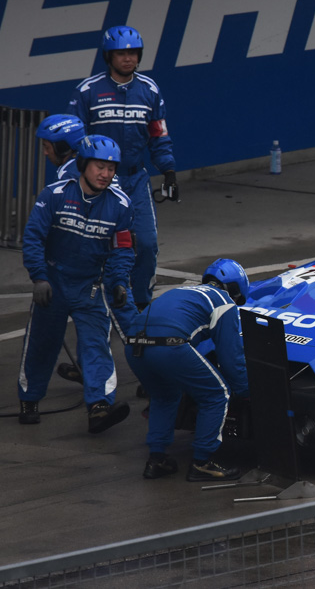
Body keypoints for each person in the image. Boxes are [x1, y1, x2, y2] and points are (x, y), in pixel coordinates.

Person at [18, 135, 135, 433]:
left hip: (90, 287)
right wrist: (39, 277)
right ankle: (29, 399)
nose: (105, 174)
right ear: (82, 164)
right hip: (53, 284)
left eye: (111, 168)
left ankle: (99, 407)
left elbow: (122, 249)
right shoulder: (54, 194)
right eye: (99, 167)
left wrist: (119, 282)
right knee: (42, 344)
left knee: (97, 346)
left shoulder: (121, 205)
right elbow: (33, 237)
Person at [69, 25, 178, 310]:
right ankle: (90, 302)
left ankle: (141, 304)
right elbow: (74, 141)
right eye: (121, 53)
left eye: (133, 53)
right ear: (109, 56)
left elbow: (159, 135)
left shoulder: (150, 90)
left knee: (146, 243)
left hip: (135, 179)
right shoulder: (88, 91)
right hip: (99, 182)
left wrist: (168, 171)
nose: (128, 58)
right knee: (95, 244)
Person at [126, 258, 251, 482]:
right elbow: (230, 356)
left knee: (164, 396)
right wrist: (245, 390)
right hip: (169, 346)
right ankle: (202, 463)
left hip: (133, 345)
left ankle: (157, 459)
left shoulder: (182, 291)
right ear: (235, 289)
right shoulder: (224, 302)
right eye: (238, 298)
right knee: (217, 393)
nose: (237, 302)